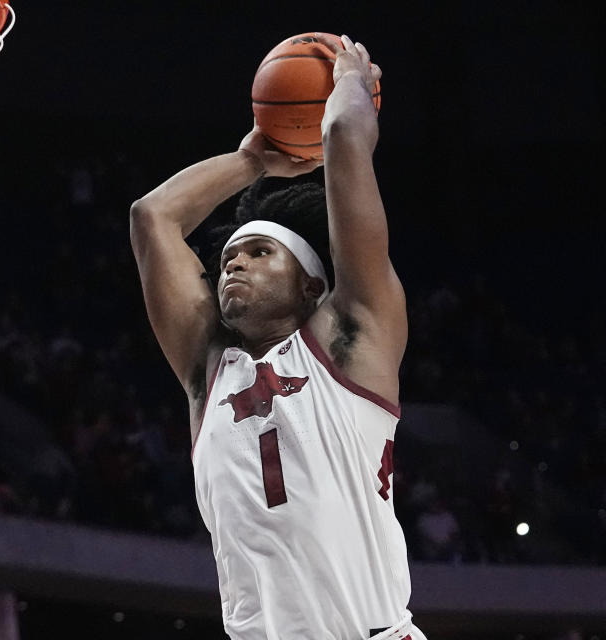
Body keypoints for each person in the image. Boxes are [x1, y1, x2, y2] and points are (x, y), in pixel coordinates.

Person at [129, 35, 425, 639]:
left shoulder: (352, 340)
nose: (232, 266)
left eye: (259, 252)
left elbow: (343, 138)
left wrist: (349, 79)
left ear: (313, 286)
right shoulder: (207, 371)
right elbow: (152, 217)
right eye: (230, 257)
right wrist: (253, 162)